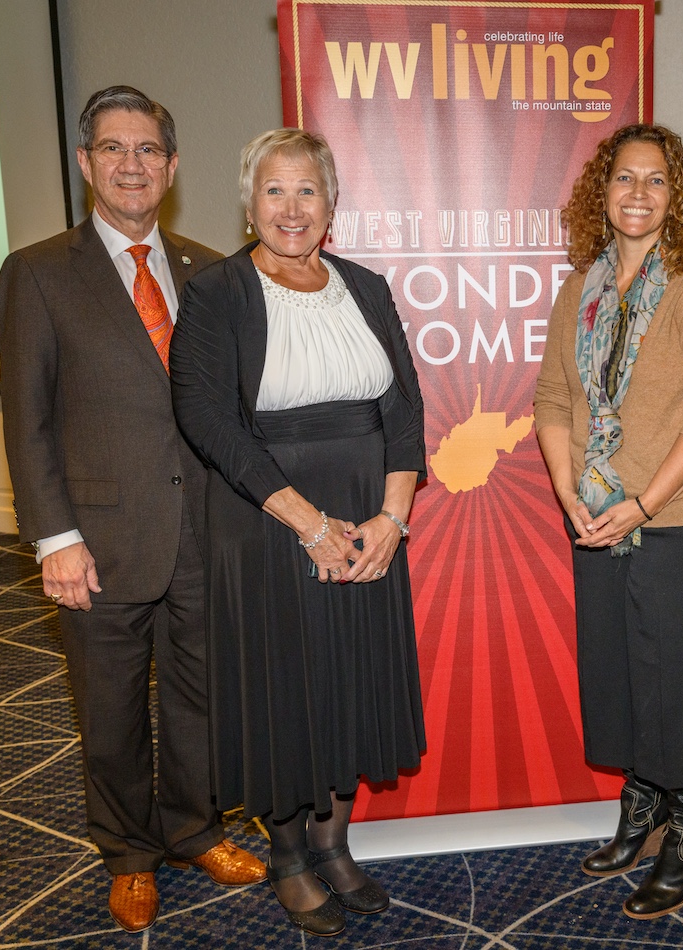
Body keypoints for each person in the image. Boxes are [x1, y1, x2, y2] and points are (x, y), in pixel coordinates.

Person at [0, 86, 267, 934]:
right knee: (110, 708)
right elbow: (27, 418)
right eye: (113, 148)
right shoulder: (38, 272)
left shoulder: (209, 268)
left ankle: (193, 828)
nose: (132, 164)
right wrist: (56, 538)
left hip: (203, 530)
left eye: (148, 150)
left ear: (173, 165)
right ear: (85, 164)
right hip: (98, 540)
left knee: (199, 697)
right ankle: (129, 853)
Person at [169, 128, 426, 938]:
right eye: (274, 191)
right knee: (286, 689)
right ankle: (287, 857)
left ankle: (333, 844)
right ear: (249, 201)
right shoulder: (218, 293)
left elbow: (406, 413)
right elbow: (208, 419)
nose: (291, 208)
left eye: (307, 190)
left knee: (350, 677)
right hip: (267, 519)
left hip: (367, 514)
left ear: (332, 204)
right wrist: (312, 526)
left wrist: (392, 520)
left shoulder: (367, 287)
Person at [534, 124, 683, 920]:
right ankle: (644, 807)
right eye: (625, 178)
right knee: (623, 675)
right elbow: (554, 401)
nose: (638, 193)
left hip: (681, 520)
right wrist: (569, 495)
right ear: (603, 191)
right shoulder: (577, 292)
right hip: (597, 520)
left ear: (676, 196)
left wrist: (646, 500)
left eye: (656, 180)